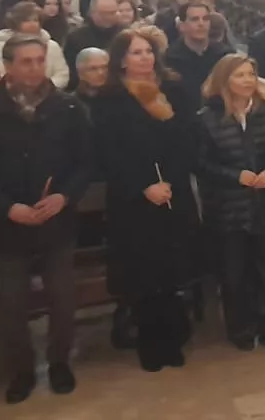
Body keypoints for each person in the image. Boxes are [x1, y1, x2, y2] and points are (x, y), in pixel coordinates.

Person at [0, 36, 90, 401]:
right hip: (7, 222)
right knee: (11, 305)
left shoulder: (68, 107)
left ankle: (60, 361)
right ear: (9, 66)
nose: (34, 68)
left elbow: (85, 162)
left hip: (56, 219)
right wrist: (6, 207)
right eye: (26, 62)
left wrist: (65, 195)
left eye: (39, 60)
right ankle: (20, 370)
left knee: (62, 299)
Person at [90, 27, 201, 372]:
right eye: (136, 53)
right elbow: (108, 152)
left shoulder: (174, 89)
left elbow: (188, 138)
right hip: (133, 197)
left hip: (172, 189)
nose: (144, 58)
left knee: (171, 268)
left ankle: (174, 336)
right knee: (143, 272)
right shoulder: (108, 98)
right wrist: (144, 185)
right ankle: (150, 342)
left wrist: (170, 179)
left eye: (148, 51)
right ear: (121, 60)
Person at [195, 54, 265, 351]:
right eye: (240, 75)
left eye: (251, 74)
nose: (248, 80)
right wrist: (235, 176)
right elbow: (200, 163)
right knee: (234, 273)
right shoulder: (207, 118)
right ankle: (241, 327)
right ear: (225, 81)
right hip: (228, 207)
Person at [0, 2, 70, 89]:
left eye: (35, 20)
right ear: (15, 23)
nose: (32, 24)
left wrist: (45, 88)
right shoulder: (0, 46)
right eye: (26, 20)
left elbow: (62, 74)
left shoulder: (52, 46)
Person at [164, 3, 231, 104]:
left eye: (205, 19)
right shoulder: (169, 58)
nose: (201, 24)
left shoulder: (225, 55)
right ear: (182, 26)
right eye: (194, 19)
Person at [63, 0, 125, 90]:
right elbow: (71, 73)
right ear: (92, 13)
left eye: (112, 13)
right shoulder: (76, 38)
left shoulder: (125, 35)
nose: (109, 17)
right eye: (104, 13)